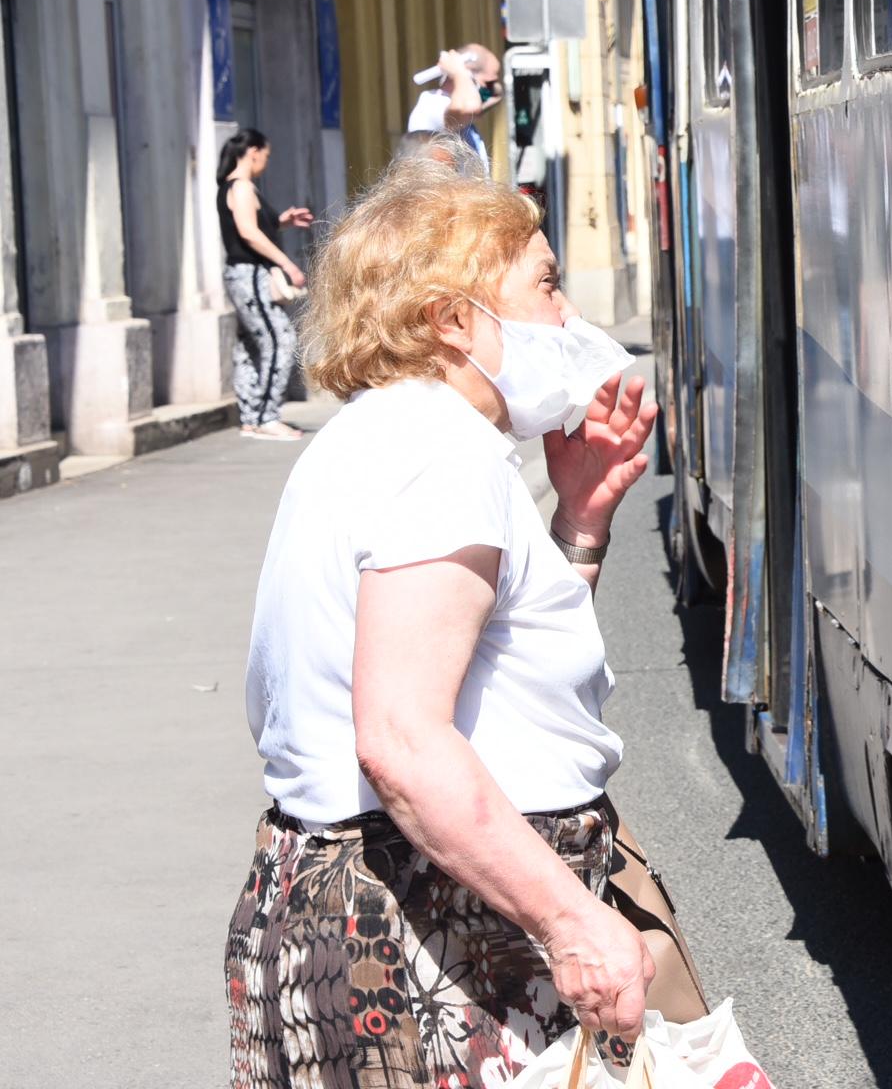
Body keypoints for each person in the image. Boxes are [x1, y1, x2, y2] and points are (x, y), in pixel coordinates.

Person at [225, 153, 662, 1086]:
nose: (567, 318)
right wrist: (575, 923)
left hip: (383, 907)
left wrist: (578, 524)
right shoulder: (441, 461)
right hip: (435, 928)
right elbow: (403, 737)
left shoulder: (382, 437)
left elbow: (490, 687)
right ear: (453, 321)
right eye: (545, 285)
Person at [217, 129, 313, 441]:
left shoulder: (234, 187)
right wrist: (286, 263)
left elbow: (250, 227)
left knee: (250, 344)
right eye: (266, 156)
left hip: (242, 274)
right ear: (253, 151)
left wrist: (281, 221)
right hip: (250, 274)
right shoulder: (242, 186)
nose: (266, 163)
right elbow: (248, 232)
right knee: (279, 339)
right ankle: (265, 417)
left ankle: (252, 417)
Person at [405, 43, 502, 170]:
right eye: (488, 83)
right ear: (469, 76)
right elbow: (469, 107)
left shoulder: (460, 106)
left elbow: (496, 95)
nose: (490, 88)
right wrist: (459, 71)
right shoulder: (432, 104)